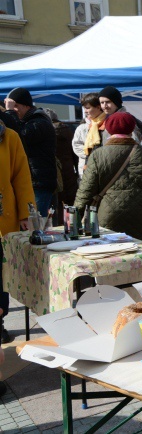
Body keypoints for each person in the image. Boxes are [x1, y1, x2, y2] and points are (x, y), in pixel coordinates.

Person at [74, 112, 142, 243]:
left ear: (108, 130)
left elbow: (86, 190)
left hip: (108, 215)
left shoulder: (98, 155)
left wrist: (77, 216)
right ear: (132, 128)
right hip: (140, 214)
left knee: (111, 257)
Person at [0, 119, 35, 344]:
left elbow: (21, 177)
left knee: (0, 275)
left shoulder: (9, 136)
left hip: (4, 219)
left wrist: (26, 214)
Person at [3, 87, 57, 217]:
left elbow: (21, 136)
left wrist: (10, 112)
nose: (14, 109)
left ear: (26, 106)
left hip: (39, 183)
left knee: (35, 224)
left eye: (16, 106)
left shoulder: (39, 121)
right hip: (32, 181)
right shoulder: (28, 121)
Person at [43, 108, 78, 225]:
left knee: (58, 204)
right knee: (71, 201)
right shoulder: (68, 129)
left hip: (56, 171)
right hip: (69, 169)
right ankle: (74, 225)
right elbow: (75, 153)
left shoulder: (47, 131)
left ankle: (63, 227)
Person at [72, 92, 108, 178]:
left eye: (88, 108)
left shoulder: (109, 124)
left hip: (104, 169)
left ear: (98, 107)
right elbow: (76, 146)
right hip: (86, 168)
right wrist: (91, 156)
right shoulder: (82, 127)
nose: (85, 111)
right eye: (84, 108)